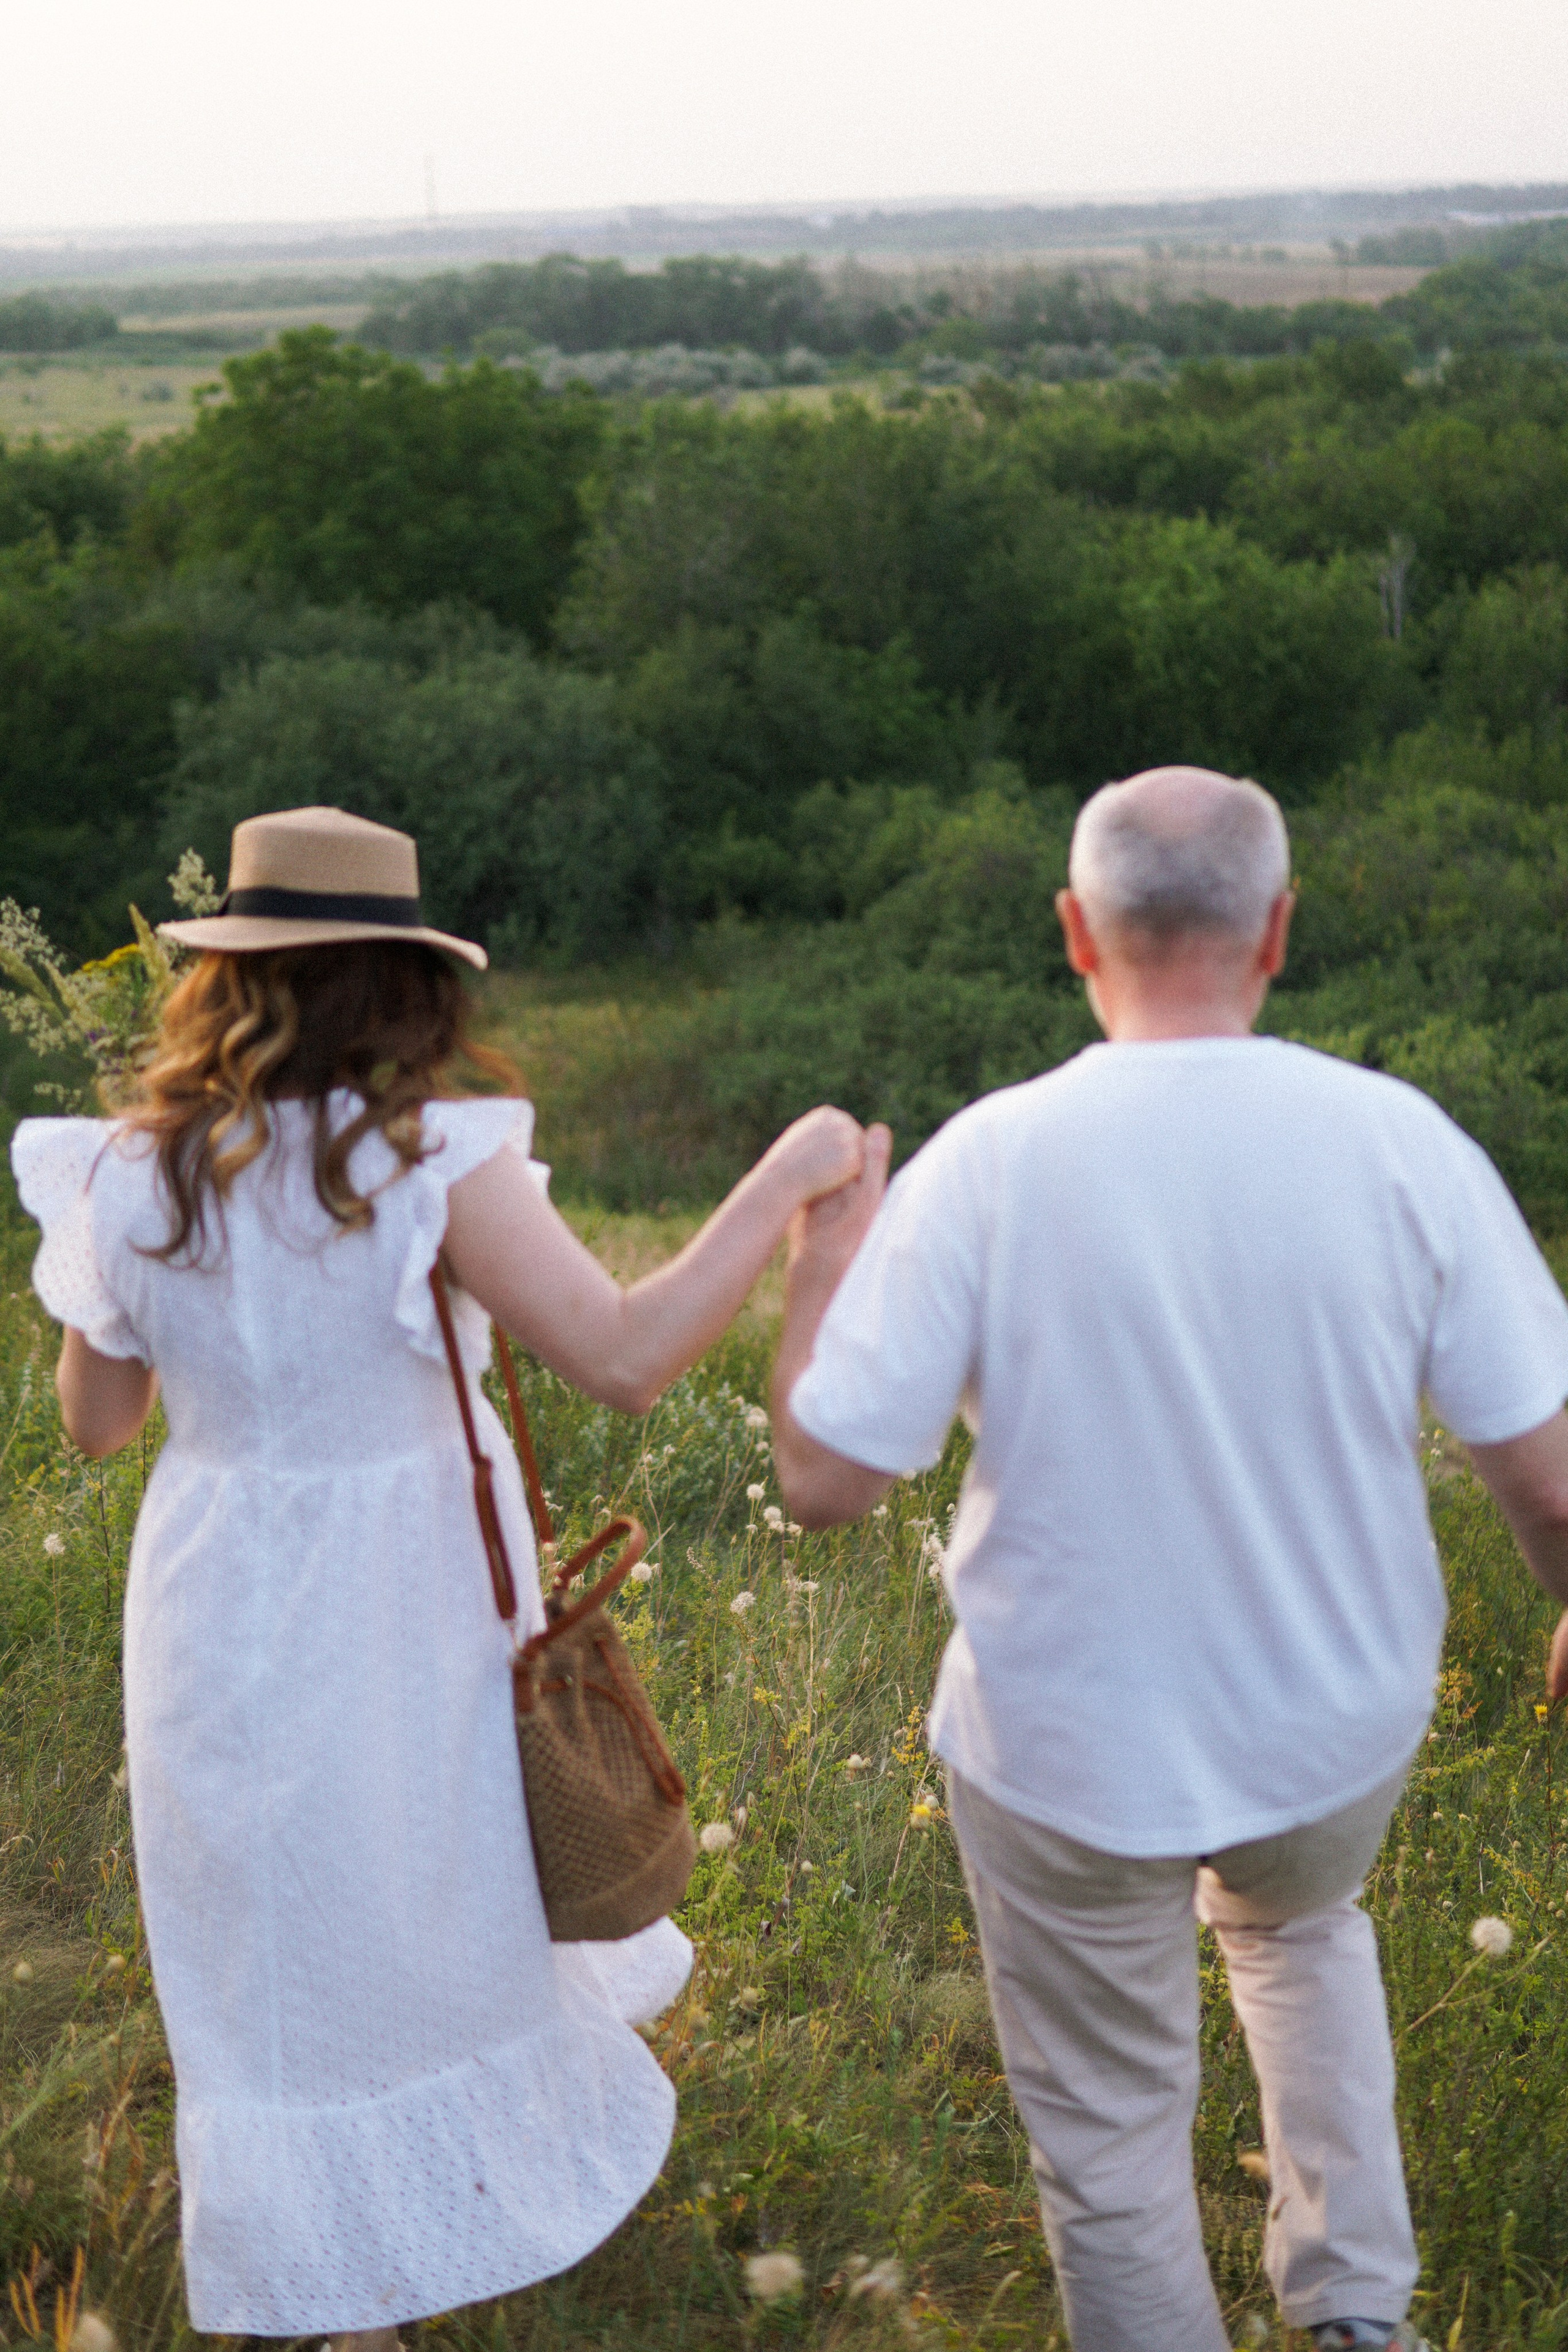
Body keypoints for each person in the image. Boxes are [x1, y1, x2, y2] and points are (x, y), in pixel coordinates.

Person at [11, 804, 868, 2347]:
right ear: (405, 986)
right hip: (399, 1595)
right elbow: (623, 1358)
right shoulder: (425, 1166)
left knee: (267, 1940)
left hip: (211, 1596)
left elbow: (96, 1424)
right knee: (416, 1914)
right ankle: (392, 2270)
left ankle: (330, 2283)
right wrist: (785, 1179)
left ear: (222, 978)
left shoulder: (130, 1174)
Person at [769, 765, 1568, 2352]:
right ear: (1276, 930)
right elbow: (1547, 1483)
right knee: (1299, 1930)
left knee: (1111, 2142)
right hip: (1329, 1726)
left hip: (1062, 1745)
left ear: (1076, 931)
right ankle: (1354, 2318)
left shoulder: (990, 1159)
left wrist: (821, 1268)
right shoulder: (1401, 1146)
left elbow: (824, 1478)